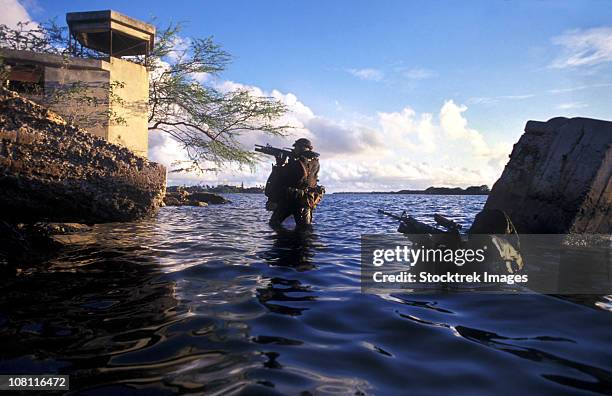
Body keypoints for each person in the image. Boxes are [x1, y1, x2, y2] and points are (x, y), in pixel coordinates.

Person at [266, 138, 324, 228]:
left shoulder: (297, 163)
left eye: (296, 147)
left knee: (274, 224)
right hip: (305, 201)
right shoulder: (315, 162)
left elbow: (281, 179)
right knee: (305, 230)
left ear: (302, 148)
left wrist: (280, 164)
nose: (294, 149)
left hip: (291, 200)